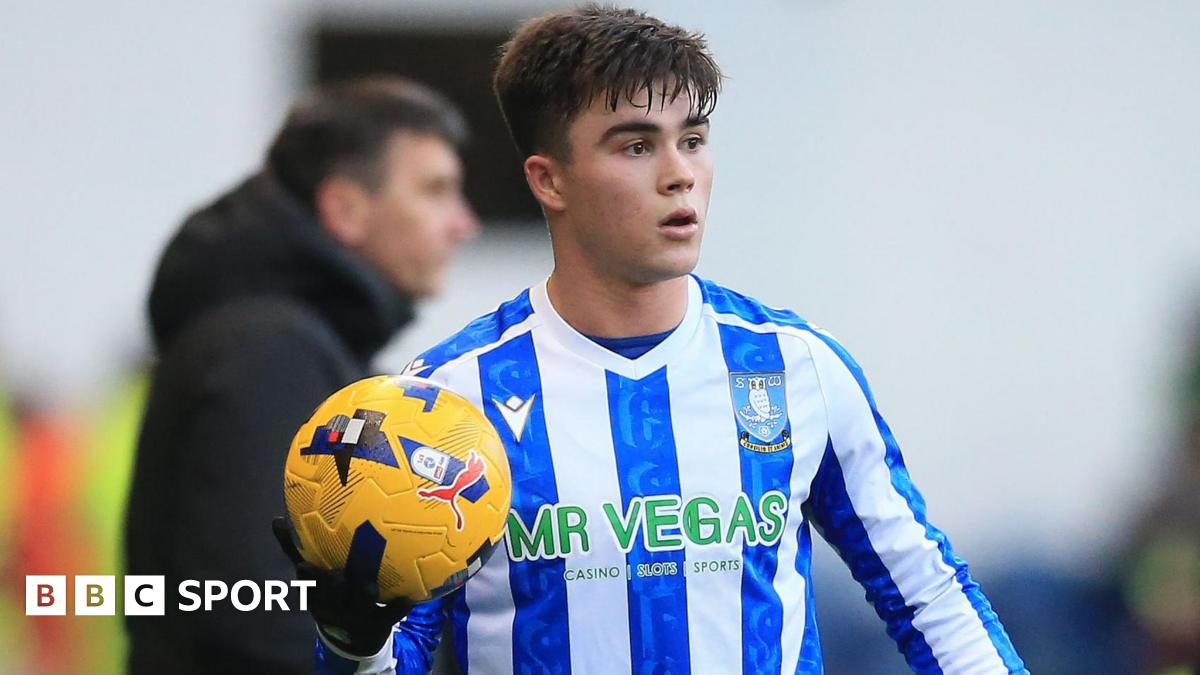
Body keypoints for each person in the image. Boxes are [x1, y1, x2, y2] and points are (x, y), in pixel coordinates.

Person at [282, 7, 1026, 673]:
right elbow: (395, 656)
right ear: (550, 180)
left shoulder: (795, 367)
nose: (680, 176)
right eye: (636, 146)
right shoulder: (450, 402)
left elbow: (930, 596)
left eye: (692, 139)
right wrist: (354, 643)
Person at [125, 77, 478, 674]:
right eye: (435, 191)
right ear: (344, 208)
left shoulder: (284, 338)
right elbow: (260, 620)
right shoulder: (269, 350)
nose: (461, 223)